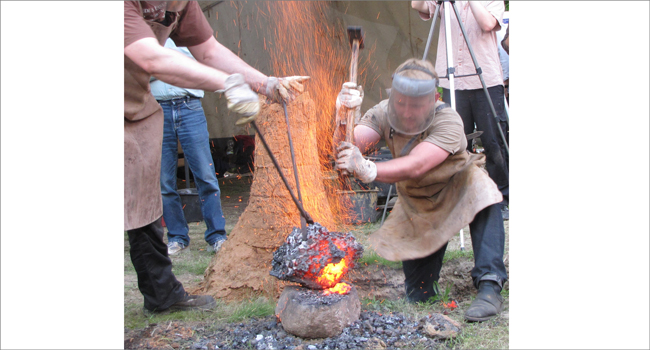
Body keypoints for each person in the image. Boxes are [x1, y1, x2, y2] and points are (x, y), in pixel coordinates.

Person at [124, 1, 308, 313]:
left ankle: (162, 295)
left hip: (133, 104)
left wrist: (265, 83)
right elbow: (149, 57)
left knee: (144, 204)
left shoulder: (181, 3)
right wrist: (228, 84)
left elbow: (208, 50)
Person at [334, 58, 508, 322]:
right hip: (418, 201)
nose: (405, 112)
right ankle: (426, 286)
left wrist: (369, 169)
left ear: (434, 98)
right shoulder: (383, 111)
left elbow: (417, 165)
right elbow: (349, 145)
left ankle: (489, 285)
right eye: (400, 102)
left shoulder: (448, 119)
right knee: (419, 294)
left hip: (458, 186)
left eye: (415, 105)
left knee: (486, 194)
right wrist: (343, 119)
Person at [411, 1, 509, 219]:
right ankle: (457, 197)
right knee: (453, 142)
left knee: (493, 141)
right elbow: (416, 4)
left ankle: (501, 198)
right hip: (452, 79)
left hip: (486, 79)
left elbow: (487, 23)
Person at [150, 38, 228, 256]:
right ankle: (177, 237)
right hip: (157, 109)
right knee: (165, 180)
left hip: (189, 106)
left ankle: (217, 235)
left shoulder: (184, 33)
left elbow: (198, 65)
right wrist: (175, 65)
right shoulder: (145, 36)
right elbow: (138, 70)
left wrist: (158, 65)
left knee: (206, 174)